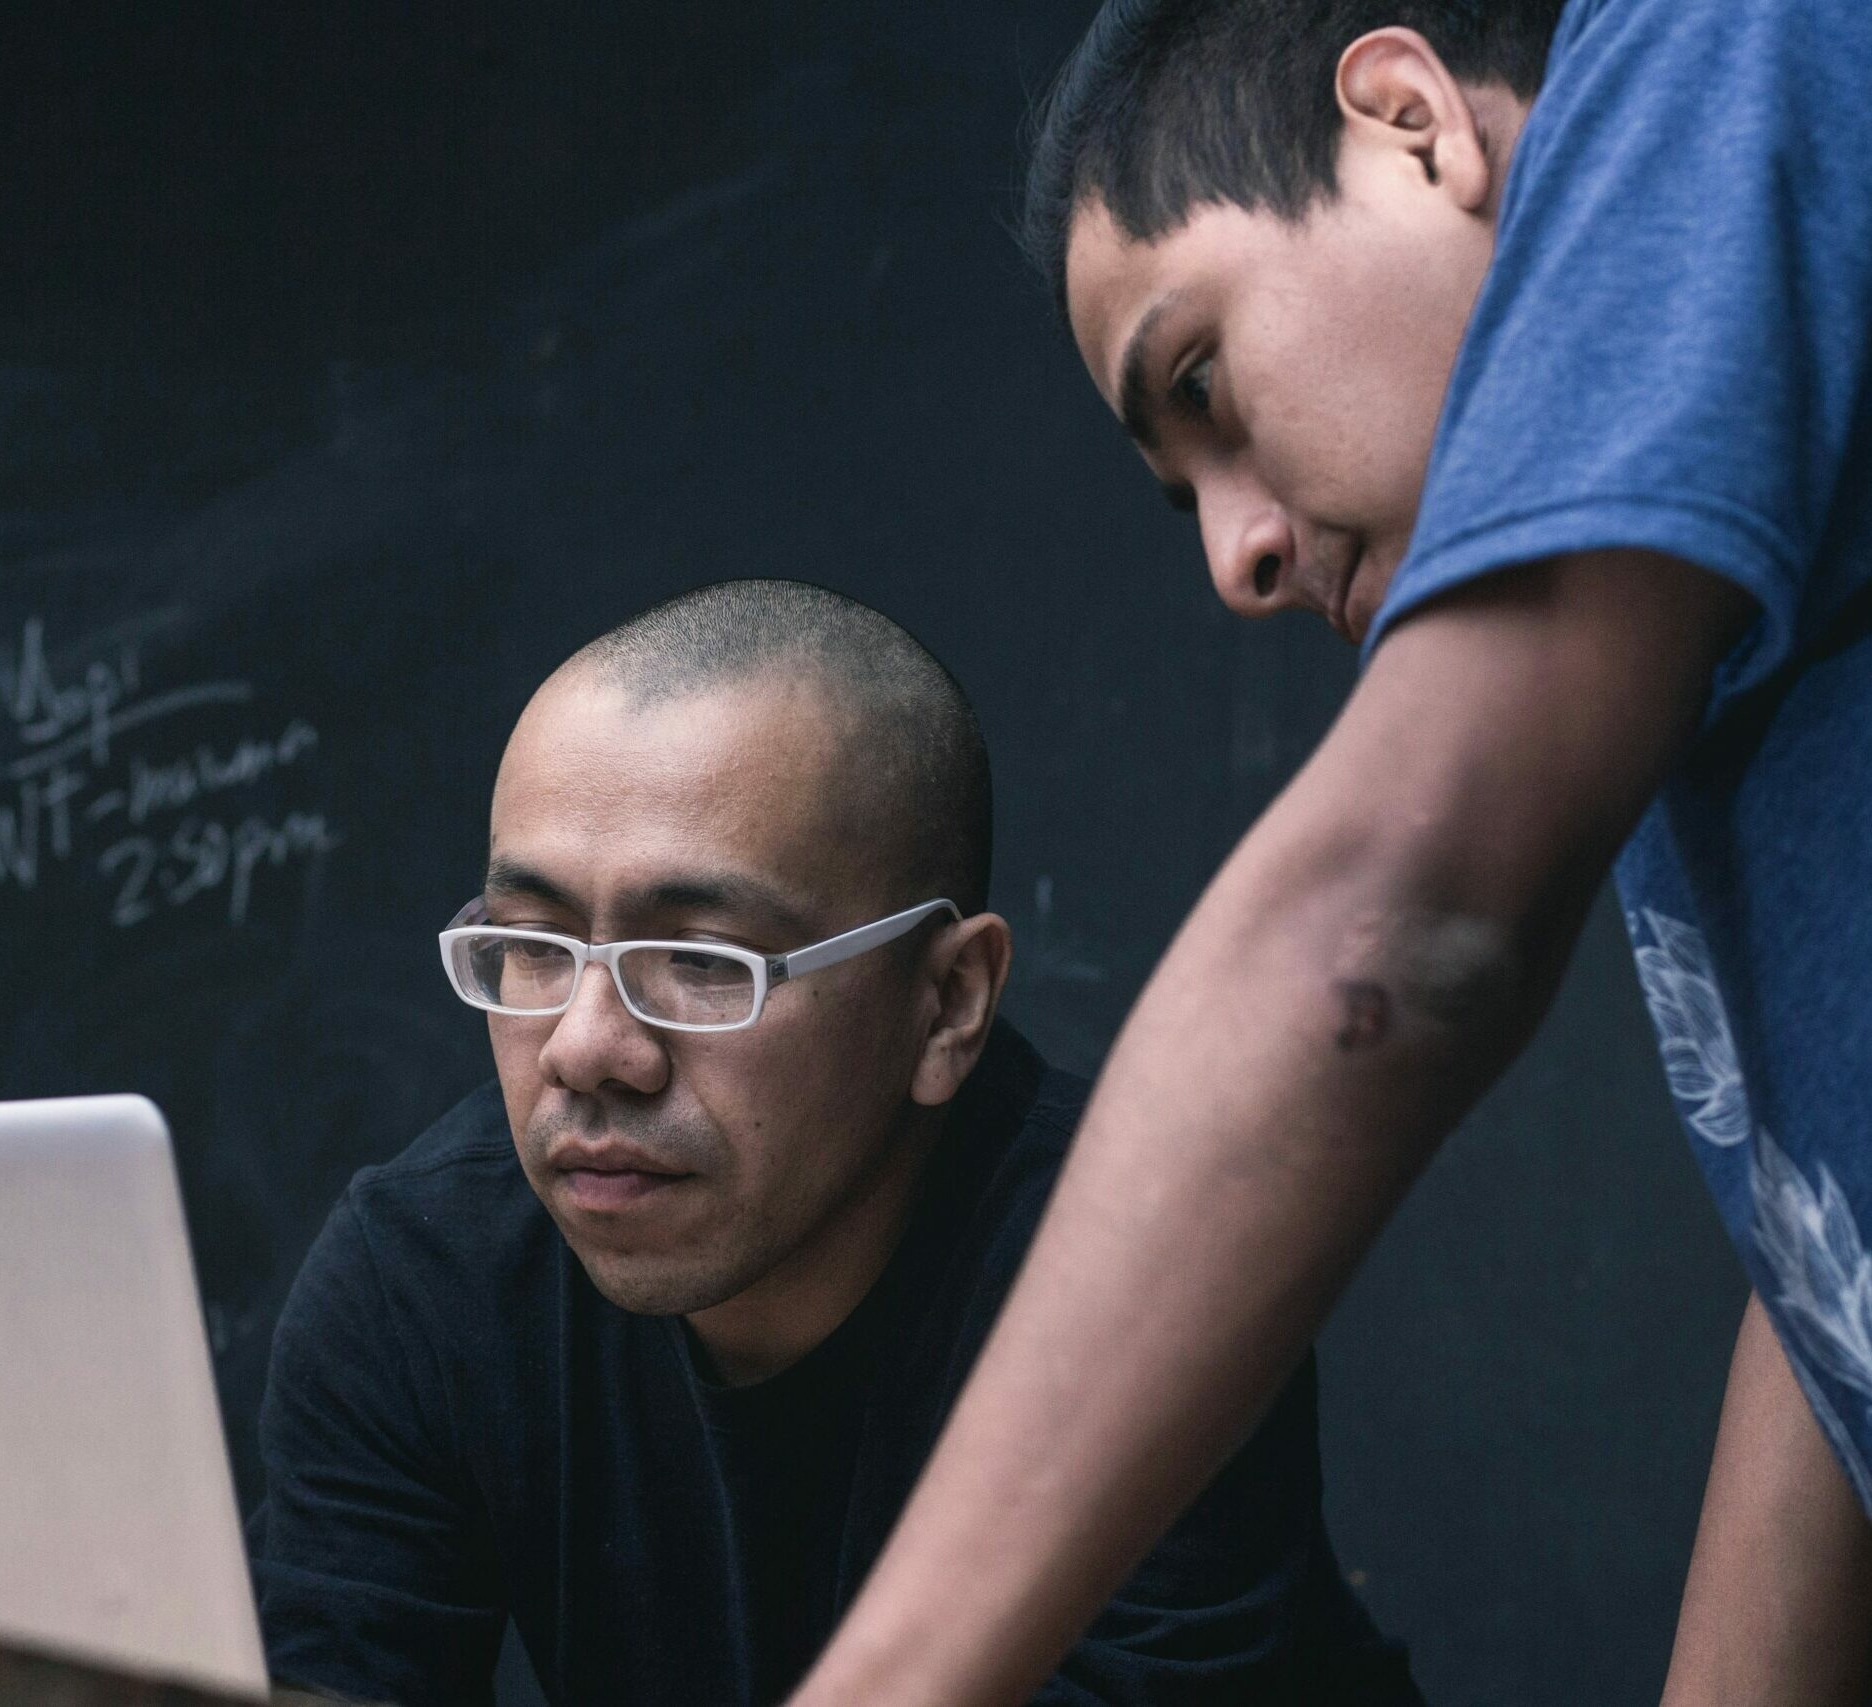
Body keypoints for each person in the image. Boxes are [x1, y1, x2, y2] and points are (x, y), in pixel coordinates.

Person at [785, 3, 1872, 1706]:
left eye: (1201, 385)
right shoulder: (1718, 660)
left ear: (1407, 119)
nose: (1237, 555)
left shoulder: (1718, 39)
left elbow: (1387, 935)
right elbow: (1826, 1272)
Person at [248, 580, 1420, 1707]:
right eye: (533, 947)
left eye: (706, 963)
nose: (585, 1048)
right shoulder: (422, 1279)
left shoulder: (1137, 1282)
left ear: (947, 1003)